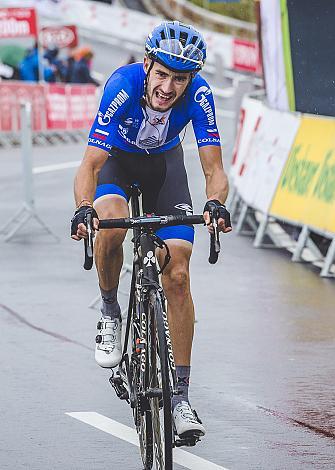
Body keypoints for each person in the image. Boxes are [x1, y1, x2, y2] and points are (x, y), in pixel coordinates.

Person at [71, 21, 231, 438]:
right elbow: (90, 164)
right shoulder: (121, 86)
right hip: (117, 165)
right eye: (162, 74)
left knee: (177, 273)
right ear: (147, 66)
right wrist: (83, 210)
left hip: (165, 168)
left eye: (179, 78)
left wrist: (215, 203)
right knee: (109, 225)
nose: (168, 87)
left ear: (191, 79)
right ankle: (110, 310)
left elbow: (213, 168)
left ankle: (180, 398)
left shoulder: (199, 96)